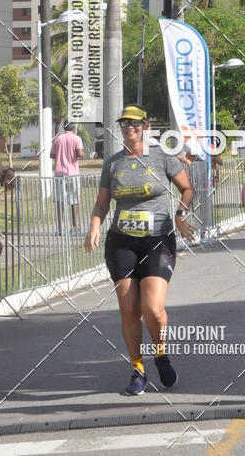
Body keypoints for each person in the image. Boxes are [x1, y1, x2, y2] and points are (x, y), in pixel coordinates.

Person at [85, 104, 195, 395]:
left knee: (153, 310)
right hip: (122, 242)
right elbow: (102, 203)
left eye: (135, 123)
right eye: (124, 123)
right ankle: (137, 368)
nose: (129, 127)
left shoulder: (163, 157)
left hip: (157, 240)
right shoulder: (113, 163)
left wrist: (180, 214)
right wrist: (95, 226)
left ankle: (160, 353)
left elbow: (187, 188)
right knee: (129, 312)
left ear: (146, 127)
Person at [51, 120, 83, 234]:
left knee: (60, 201)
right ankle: (74, 227)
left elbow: (52, 155)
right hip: (73, 174)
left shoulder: (58, 138)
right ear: (73, 128)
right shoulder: (77, 138)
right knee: (74, 201)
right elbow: (80, 154)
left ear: (64, 128)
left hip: (59, 174)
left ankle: (59, 228)